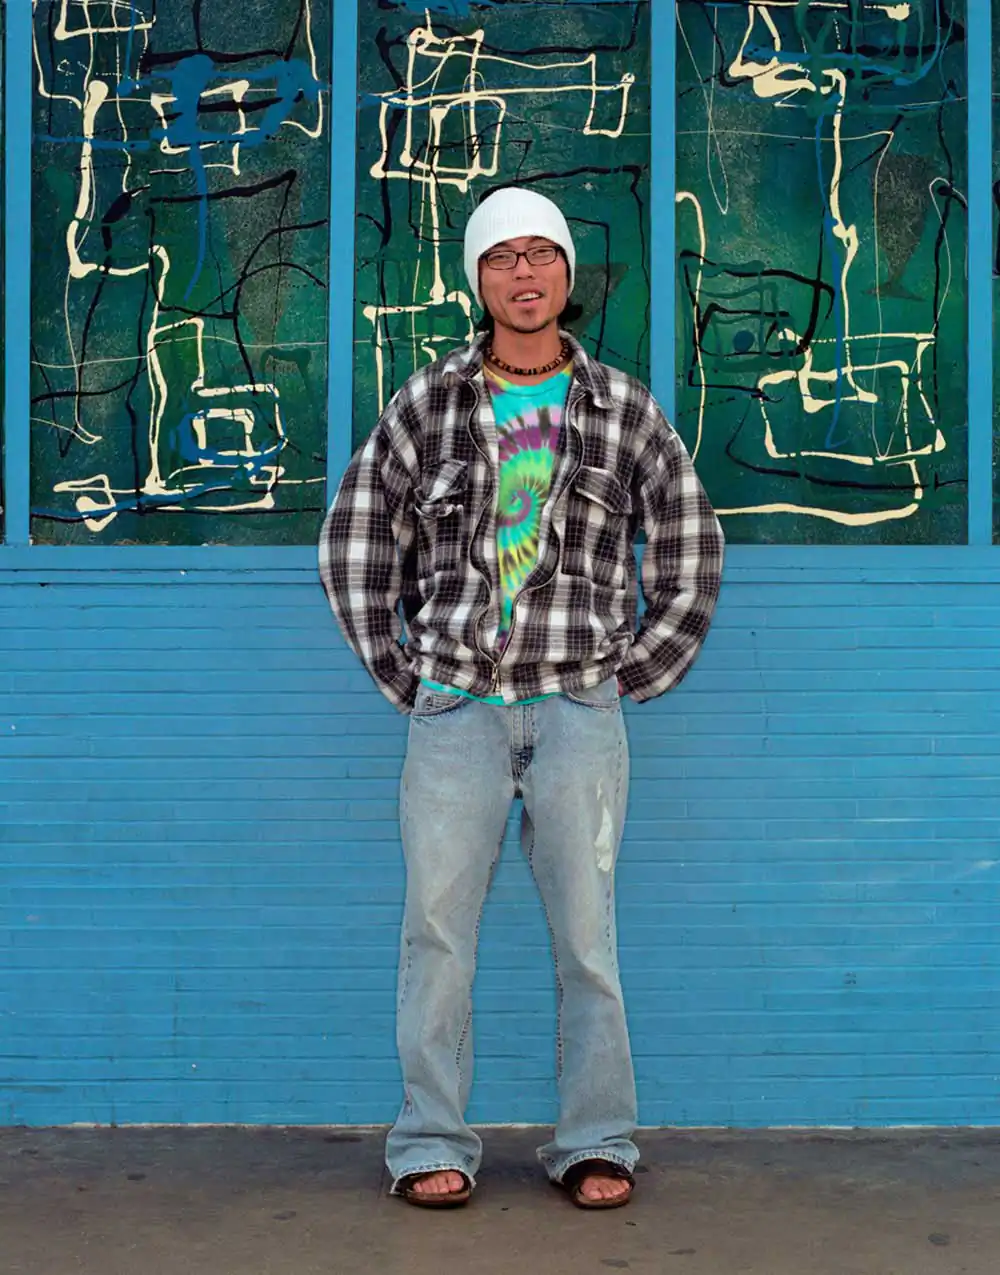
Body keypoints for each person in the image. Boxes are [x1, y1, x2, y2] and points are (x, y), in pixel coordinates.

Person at [319, 187, 724, 1210]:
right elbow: (355, 538)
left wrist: (633, 671)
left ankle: (596, 1141)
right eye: (503, 257)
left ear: (566, 275)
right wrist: (407, 676)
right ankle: (429, 1142)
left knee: (588, 940)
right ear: (479, 278)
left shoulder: (622, 408)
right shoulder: (429, 402)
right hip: (456, 711)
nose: (525, 273)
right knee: (435, 936)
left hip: (578, 711)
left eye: (543, 254)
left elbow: (688, 542)